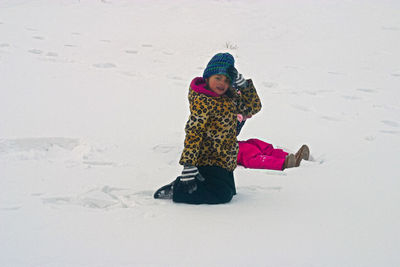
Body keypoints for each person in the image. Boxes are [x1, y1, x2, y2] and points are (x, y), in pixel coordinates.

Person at [154, 52, 262, 204]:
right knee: (222, 195)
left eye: (226, 80)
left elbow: (253, 107)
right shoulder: (203, 102)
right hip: (207, 160)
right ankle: (179, 189)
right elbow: (194, 133)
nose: (222, 83)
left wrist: (243, 85)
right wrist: (189, 164)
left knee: (230, 191)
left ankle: (196, 185)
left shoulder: (229, 98)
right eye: (217, 78)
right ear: (207, 77)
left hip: (224, 160)